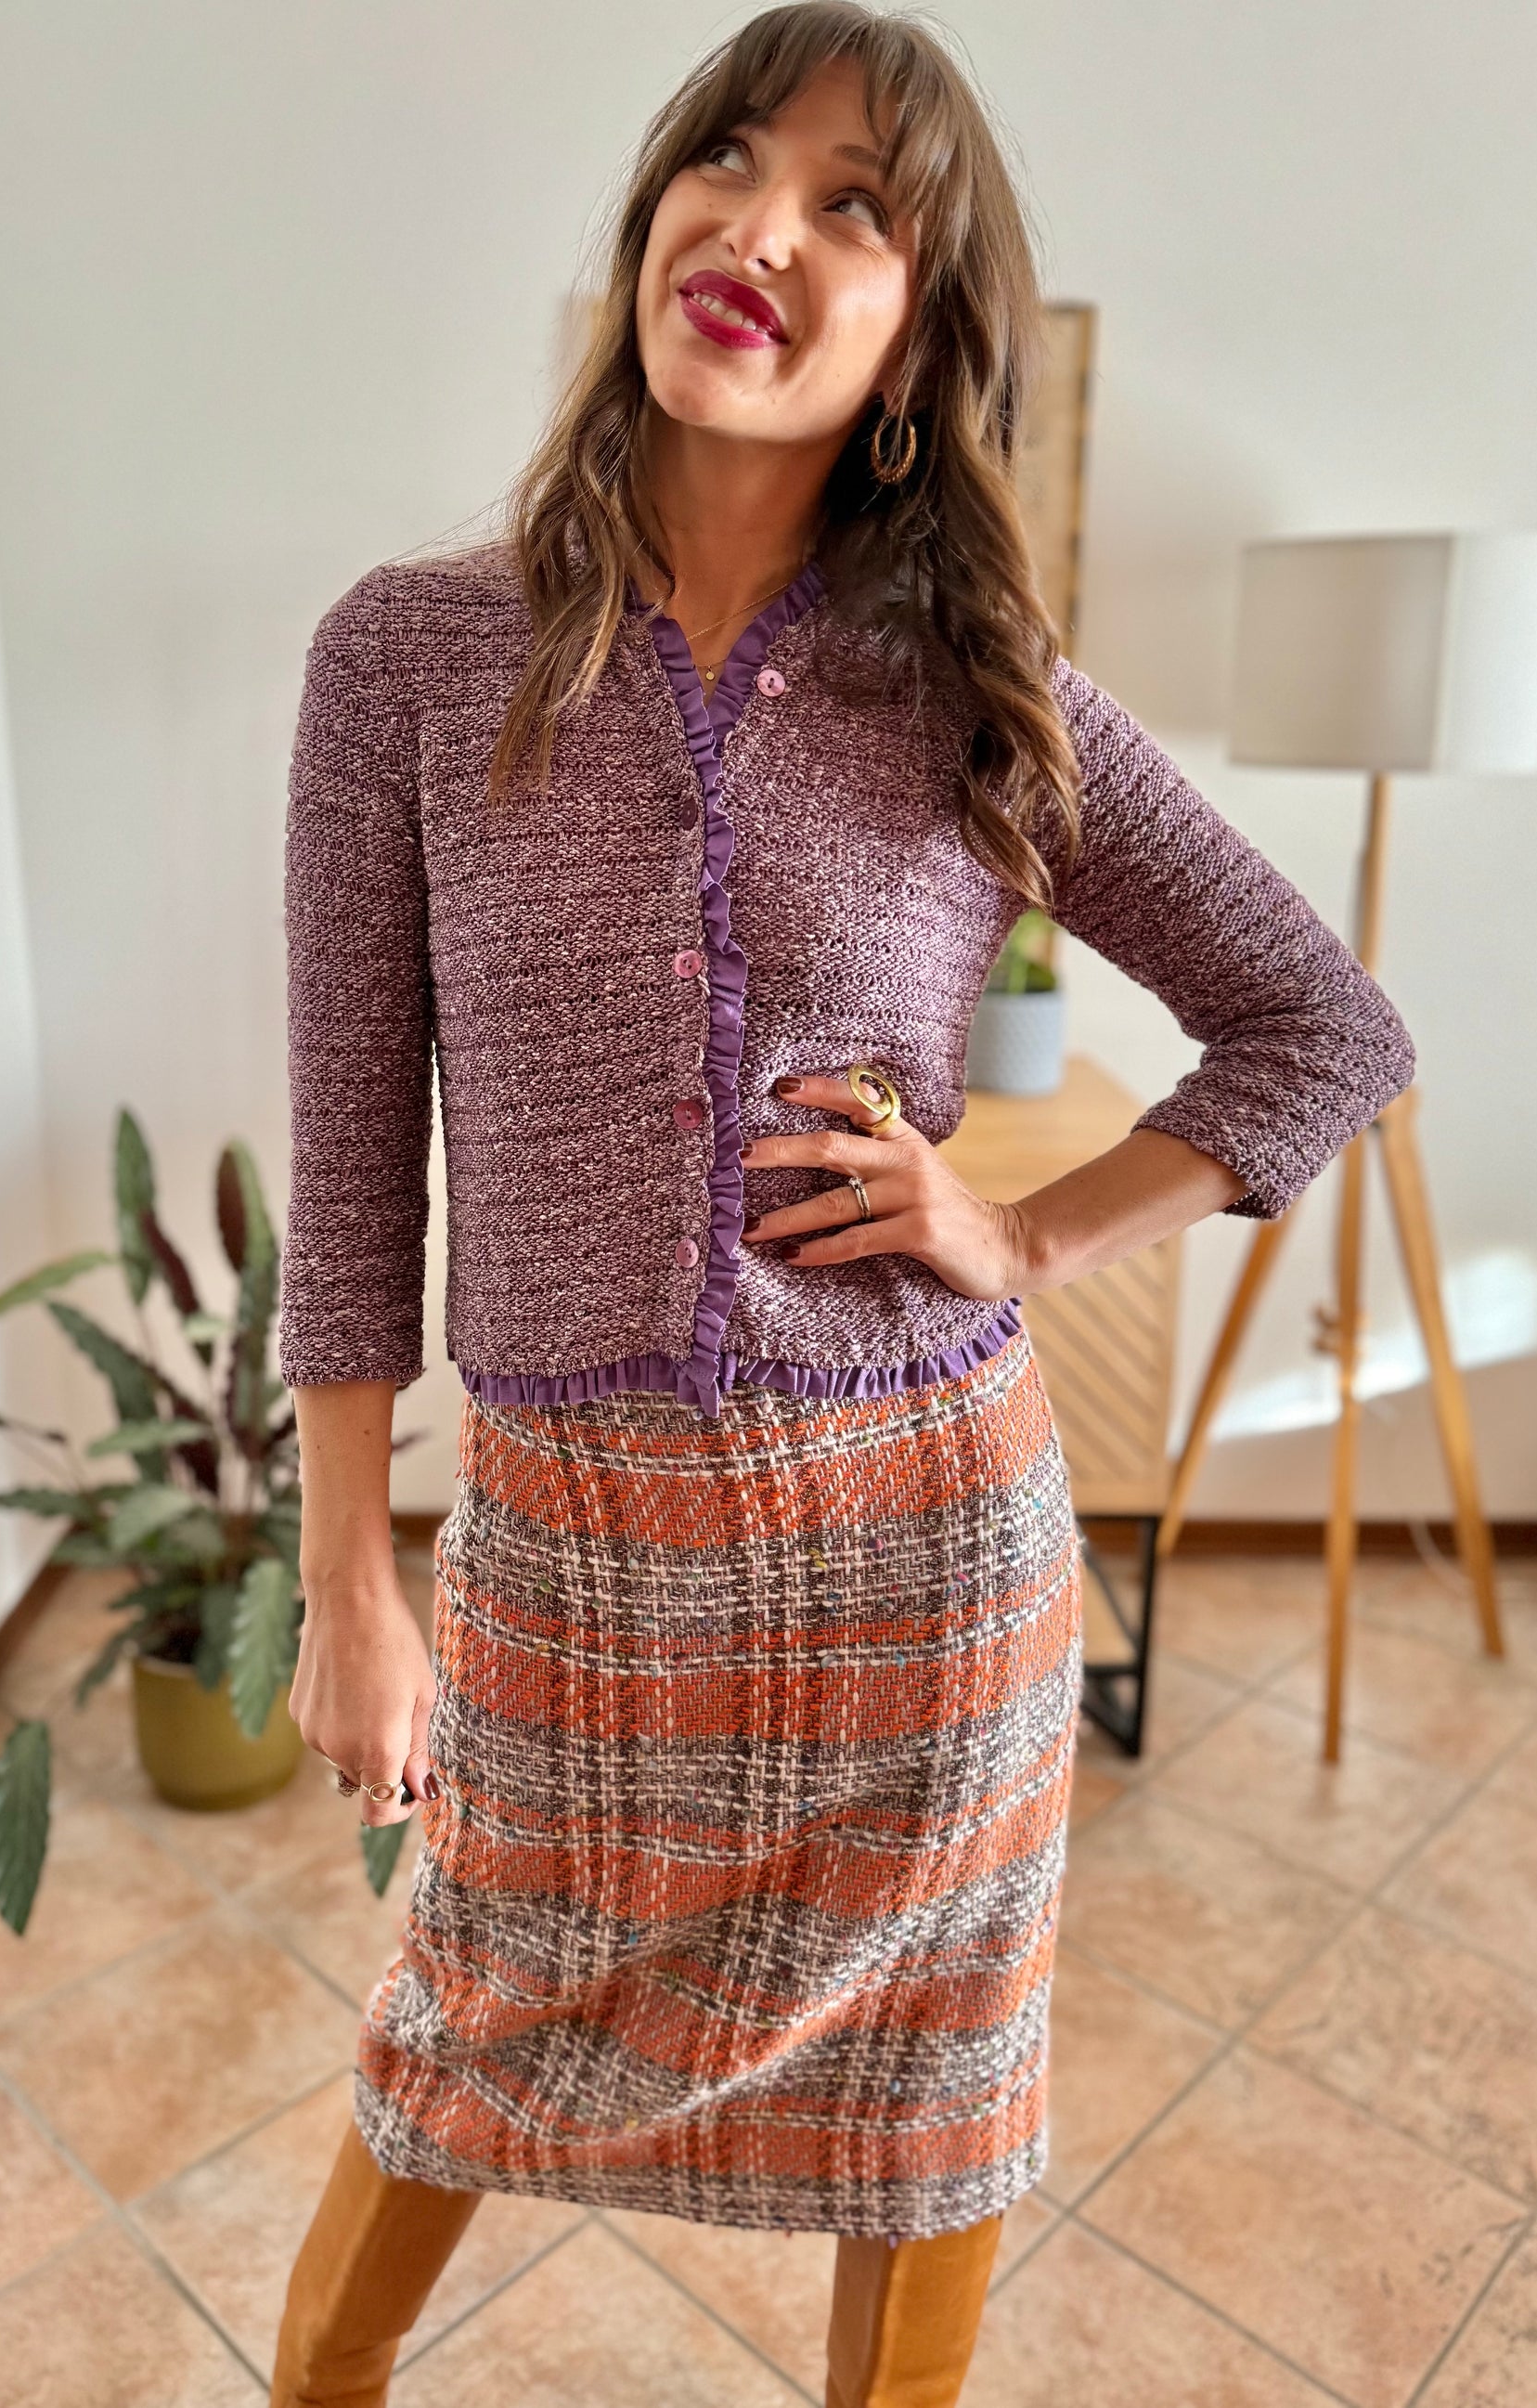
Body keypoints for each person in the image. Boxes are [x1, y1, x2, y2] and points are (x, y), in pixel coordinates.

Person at [267, 6, 1414, 2402]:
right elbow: (359, 1164)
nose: (761, 225)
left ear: (919, 333)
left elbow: (1323, 1023)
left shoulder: (976, 687)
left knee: (928, 2140)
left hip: (927, 1567)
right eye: (729, 159)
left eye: (855, 204)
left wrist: (1027, 1238)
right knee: (440, 2081)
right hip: (573, 1566)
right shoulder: (408, 657)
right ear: (654, 212)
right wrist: (353, 1580)